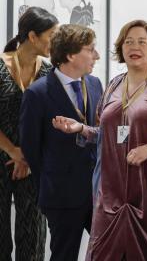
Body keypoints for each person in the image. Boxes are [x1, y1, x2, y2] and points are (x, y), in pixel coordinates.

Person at [52, 20, 147, 260]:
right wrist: (82, 128)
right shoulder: (114, 85)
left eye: (141, 41)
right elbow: (105, 134)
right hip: (112, 194)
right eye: (128, 42)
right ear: (121, 48)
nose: (134, 47)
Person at [19, 24, 103, 261]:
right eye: (91, 49)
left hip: (98, 192)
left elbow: (101, 131)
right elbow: (30, 148)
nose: (96, 55)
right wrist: (50, 182)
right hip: (61, 196)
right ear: (70, 54)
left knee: (112, 253)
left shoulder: (96, 84)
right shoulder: (37, 93)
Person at [0, 7, 57, 261]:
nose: (55, 42)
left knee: (32, 237)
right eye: (51, 35)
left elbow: (51, 123)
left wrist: (29, 159)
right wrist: (13, 150)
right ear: (33, 36)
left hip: (33, 166)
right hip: (3, 156)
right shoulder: (0, 66)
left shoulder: (49, 73)